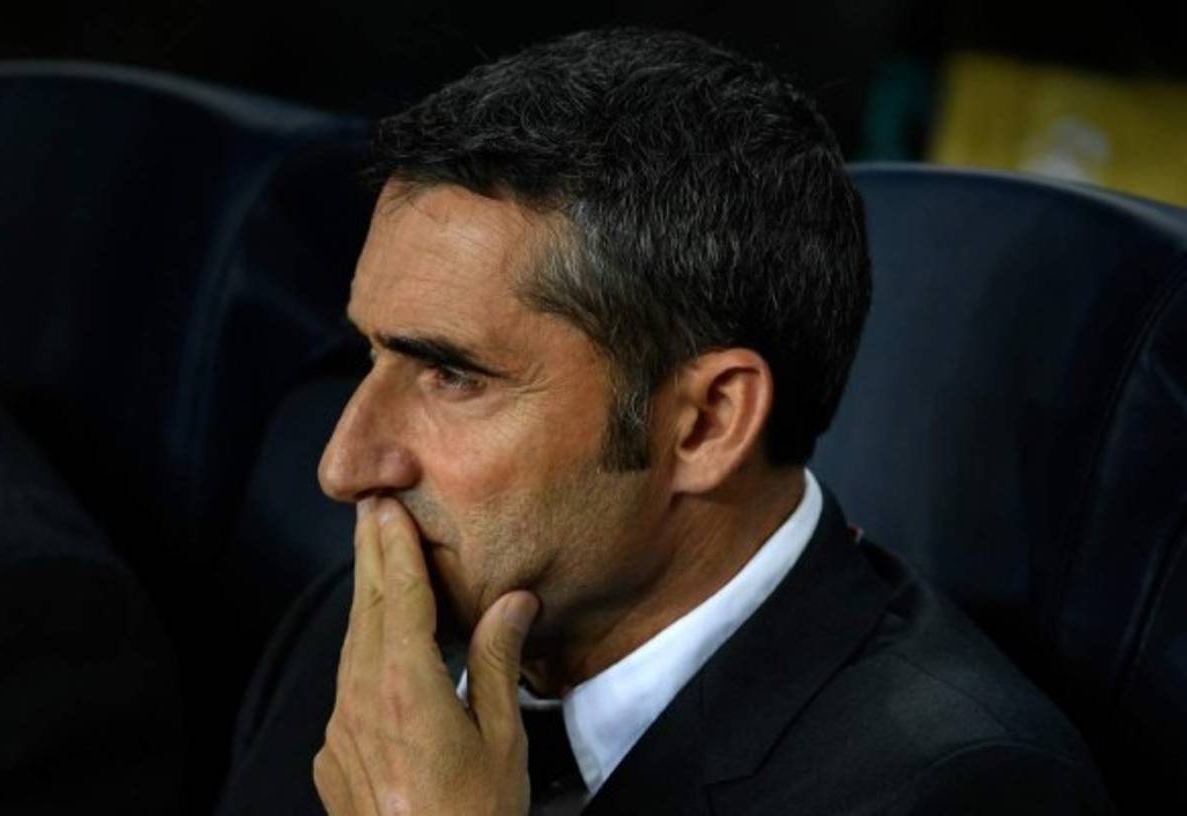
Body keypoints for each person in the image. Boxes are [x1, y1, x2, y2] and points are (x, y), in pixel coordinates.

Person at [216, 27, 1114, 815]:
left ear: (708, 424)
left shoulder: (958, 789)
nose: (342, 464)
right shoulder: (358, 643)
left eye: (452, 375)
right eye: (370, 356)